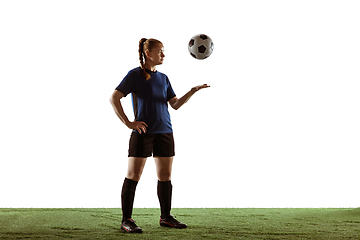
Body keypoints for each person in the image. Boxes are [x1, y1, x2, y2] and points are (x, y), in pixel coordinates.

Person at [109, 38, 209, 233]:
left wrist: (192, 91)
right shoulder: (135, 75)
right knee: (133, 176)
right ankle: (126, 220)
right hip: (143, 133)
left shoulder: (164, 78)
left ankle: (166, 217)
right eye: (160, 51)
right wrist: (129, 123)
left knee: (165, 176)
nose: (163, 55)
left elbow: (175, 104)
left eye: (164, 51)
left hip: (165, 131)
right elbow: (114, 98)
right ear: (148, 53)